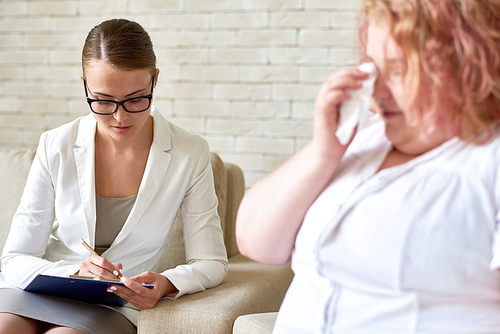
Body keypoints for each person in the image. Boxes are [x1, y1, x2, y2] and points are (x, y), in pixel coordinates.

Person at [236, 0, 500, 332]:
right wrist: (322, 154)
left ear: (469, 66)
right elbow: (256, 242)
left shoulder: (489, 162)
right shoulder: (363, 138)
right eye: (373, 66)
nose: (376, 89)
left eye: (400, 68)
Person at [0, 18, 228, 334]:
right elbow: (15, 258)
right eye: (103, 101)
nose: (120, 117)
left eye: (136, 99)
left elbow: (212, 262)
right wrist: (72, 272)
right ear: (84, 84)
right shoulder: (56, 145)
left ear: (155, 80)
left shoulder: (190, 153)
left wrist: (166, 283)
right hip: (41, 291)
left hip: (114, 306)